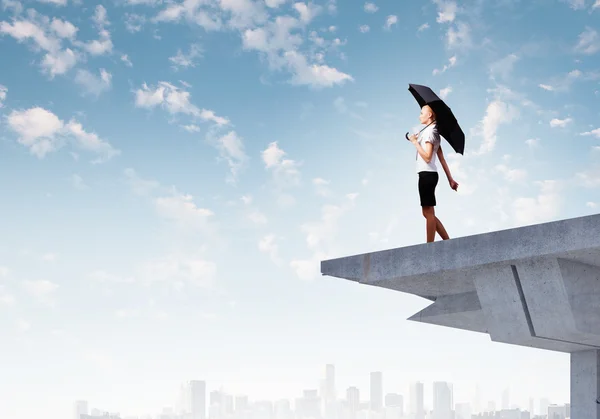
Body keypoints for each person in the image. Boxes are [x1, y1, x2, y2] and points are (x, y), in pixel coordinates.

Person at [407, 105, 459, 243]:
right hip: (429, 174)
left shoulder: (430, 132)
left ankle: (429, 247)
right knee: (428, 212)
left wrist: (415, 143)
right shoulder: (433, 132)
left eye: (421, 113)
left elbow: (428, 157)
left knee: (428, 212)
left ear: (429, 115)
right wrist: (450, 180)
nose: (419, 115)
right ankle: (447, 242)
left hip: (427, 174)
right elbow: (441, 159)